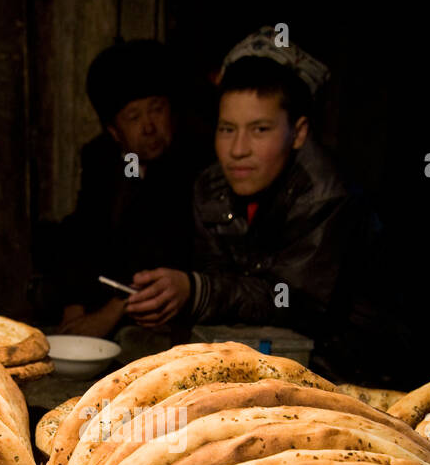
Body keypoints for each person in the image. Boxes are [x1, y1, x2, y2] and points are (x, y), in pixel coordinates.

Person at [124, 30, 382, 373]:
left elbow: (293, 301)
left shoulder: (327, 196)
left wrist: (198, 292)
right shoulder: (211, 186)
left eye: (260, 130)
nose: (237, 149)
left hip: (358, 364)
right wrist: (181, 299)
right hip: (263, 355)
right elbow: (219, 277)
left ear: (299, 133)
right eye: (227, 129)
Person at [56, 40, 211, 338]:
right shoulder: (101, 157)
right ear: (114, 131)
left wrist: (111, 313)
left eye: (157, 110)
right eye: (133, 117)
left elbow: (170, 245)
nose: (149, 127)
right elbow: (84, 229)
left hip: (163, 309)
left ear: (173, 112)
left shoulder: (196, 162)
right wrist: (73, 301)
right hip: (107, 290)